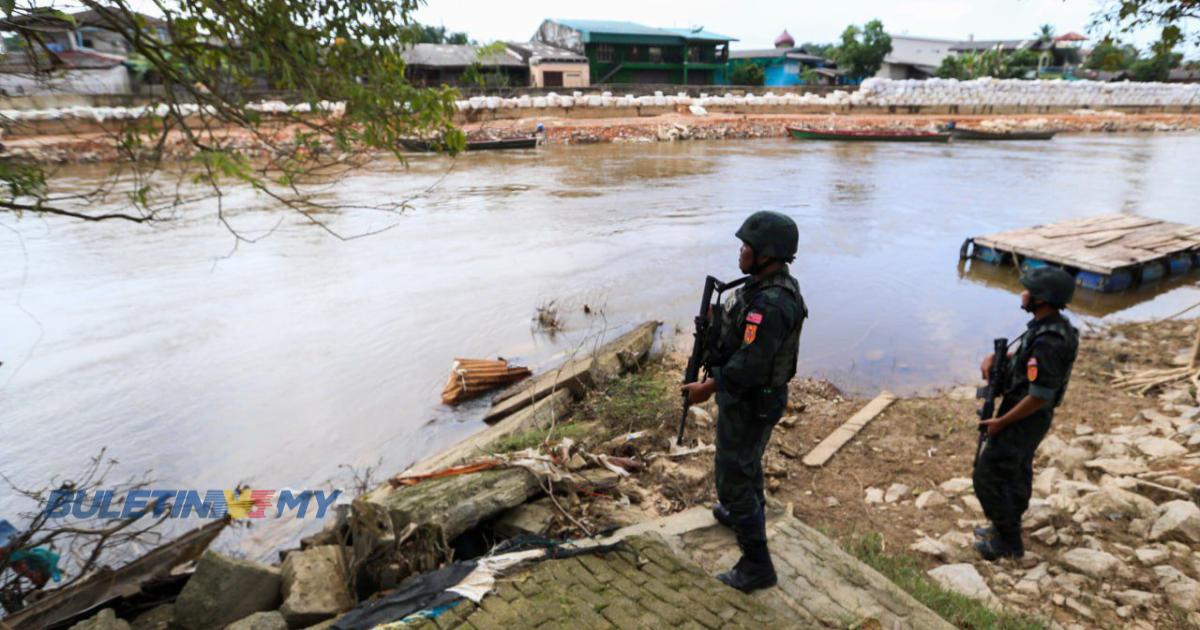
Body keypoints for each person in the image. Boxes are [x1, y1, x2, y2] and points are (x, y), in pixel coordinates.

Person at [681, 211, 807, 592]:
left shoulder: (771, 304)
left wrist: (710, 386)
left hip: (753, 398)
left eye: (746, 247)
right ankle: (743, 514)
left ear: (767, 254)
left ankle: (757, 566)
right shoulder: (764, 286)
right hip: (749, 397)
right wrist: (715, 318)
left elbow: (751, 363)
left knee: (733, 475)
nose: (740, 252)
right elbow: (742, 334)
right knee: (745, 463)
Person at [973, 266, 1079, 561]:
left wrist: (1000, 422)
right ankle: (1003, 527)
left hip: (1024, 416)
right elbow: (1026, 360)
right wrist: (997, 357)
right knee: (1015, 471)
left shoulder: (1050, 341)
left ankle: (1008, 542)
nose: (1022, 293)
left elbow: (1039, 396)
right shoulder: (1049, 327)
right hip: (1022, 414)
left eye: (1028, 290)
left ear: (1042, 299)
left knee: (987, 475)